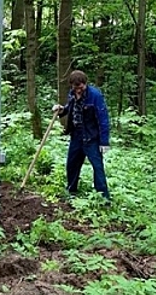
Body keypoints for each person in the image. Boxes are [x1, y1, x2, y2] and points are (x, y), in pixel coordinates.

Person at [52, 70, 110, 200]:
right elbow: (70, 108)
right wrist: (61, 110)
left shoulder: (95, 96)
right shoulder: (72, 94)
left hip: (91, 138)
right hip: (76, 136)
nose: (79, 90)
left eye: (81, 87)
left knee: (97, 166)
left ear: (85, 84)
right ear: (72, 86)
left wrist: (104, 141)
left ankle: (103, 197)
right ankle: (71, 191)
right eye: (76, 87)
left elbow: (103, 119)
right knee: (72, 164)